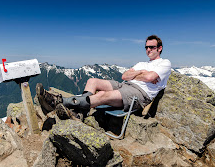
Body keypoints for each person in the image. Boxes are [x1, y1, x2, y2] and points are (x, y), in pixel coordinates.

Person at [36, 35, 171, 120]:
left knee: (103, 95)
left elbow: (150, 77)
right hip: (125, 85)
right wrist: (141, 72)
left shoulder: (165, 63)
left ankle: (57, 101)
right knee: (92, 81)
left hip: (139, 94)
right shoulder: (142, 64)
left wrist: (136, 74)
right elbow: (124, 76)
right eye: (146, 47)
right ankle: (79, 114)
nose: (148, 50)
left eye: (152, 47)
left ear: (159, 48)